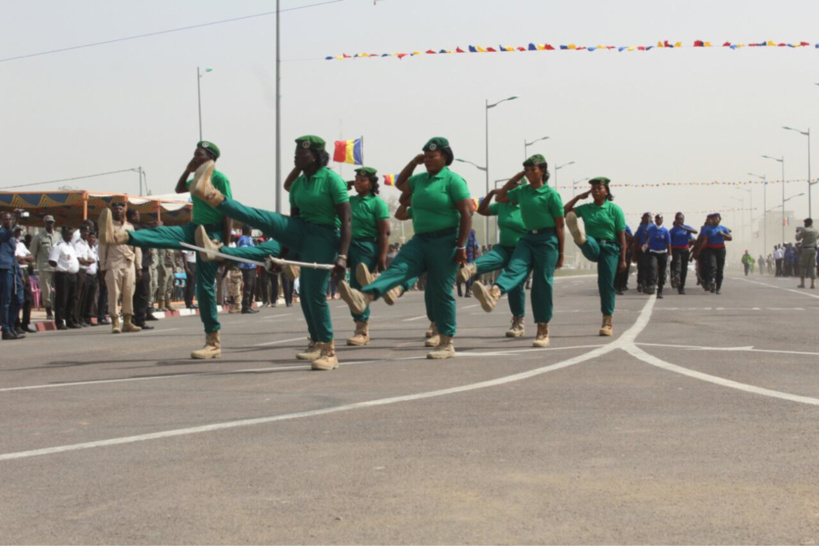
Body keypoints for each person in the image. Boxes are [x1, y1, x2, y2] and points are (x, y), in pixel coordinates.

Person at [191, 135, 351, 370]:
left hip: (324, 237)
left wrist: (342, 256)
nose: (296, 157)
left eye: (301, 154)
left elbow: (347, 220)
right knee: (261, 217)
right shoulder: (298, 184)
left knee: (313, 294)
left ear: (316, 156)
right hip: (301, 229)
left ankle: (329, 351)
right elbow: (292, 222)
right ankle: (211, 195)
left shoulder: (332, 180)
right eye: (295, 153)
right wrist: (283, 256)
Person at [336, 137, 473, 359]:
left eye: (432, 156)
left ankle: (446, 342)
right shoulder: (419, 180)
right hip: (421, 240)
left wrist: (461, 246)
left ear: (445, 157)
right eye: (425, 157)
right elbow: (400, 184)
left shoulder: (453, 180)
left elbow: (467, 212)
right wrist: (413, 162)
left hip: (446, 240)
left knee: (441, 292)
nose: (427, 160)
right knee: (398, 267)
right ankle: (366, 296)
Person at [99, 141, 231, 358]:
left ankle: (213, 342)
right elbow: (179, 188)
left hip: (212, 233)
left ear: (210, 158)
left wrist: (224, 245)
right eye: (194, 154)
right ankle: (121, 236)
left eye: (198, 155)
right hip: (194, 228)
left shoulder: (219, 179)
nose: (194, 157)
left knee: (205, 287)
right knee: (163, 233)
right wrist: (188, 170)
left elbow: (228, 212)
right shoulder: (196, 179)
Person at [468, 154, 561, 344]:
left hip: (546, 239)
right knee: (514, 268)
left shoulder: (551, 195)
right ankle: (494, 293)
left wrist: (561, 252)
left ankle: (542, 329)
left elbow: (559, 225)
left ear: (542, 170)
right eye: (526, 170)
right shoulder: (522, 192)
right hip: (527, 239)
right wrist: (517, 176)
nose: (529, 173)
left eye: (533, 170)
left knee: (542, 285)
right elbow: (500, 197)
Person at [563, 177, 628, 336]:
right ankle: (580, 238)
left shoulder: (615, 210)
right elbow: (564, 212)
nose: (596, 191)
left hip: (610, 248)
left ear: (606, 191)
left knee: (605, 284)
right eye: (593, 189)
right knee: (587, 241)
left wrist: (623, 259)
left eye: (599, 188)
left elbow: (622, 237)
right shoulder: (586, 208)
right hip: (593, 245)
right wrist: (578, 197)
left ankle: (607, 320)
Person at [338, 167, 390, 346]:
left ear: (371, 184)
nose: (358, 183)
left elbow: (384, 232)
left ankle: (361, 329)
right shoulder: (349, 200)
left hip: (367, 245)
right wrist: (345, 186)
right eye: (356, 180)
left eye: (362, 180)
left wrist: (382, 259)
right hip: (346, 243)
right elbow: (333, 196)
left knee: (357, 285)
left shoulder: (377, 203)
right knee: (341, 282)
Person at [98, 201, 142, 333]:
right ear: (112, 212)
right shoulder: (107, 226)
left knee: (129, 293)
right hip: (113, 264)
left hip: (129, 263)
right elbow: (102, 248)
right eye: (116, 209)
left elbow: (136, 247)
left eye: (120, 209)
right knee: (114, 294)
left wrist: (138, 266)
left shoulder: (129, 227)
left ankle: (128, 322)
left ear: (124, 211)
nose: (118, 211)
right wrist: (102, 267)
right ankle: (115, 322)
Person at [48, 225, 81, 330]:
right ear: (63, 234)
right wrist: (61, 267)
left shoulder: (70, 245)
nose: (70, 236)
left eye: (71, 234)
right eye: (68, 234)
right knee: (62, 299)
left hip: (72, 275)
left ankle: (70, 321)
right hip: (63, 275)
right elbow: (52, 261)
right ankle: (59, 321)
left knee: (72, 299)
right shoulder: (58, 245)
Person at [1, 212, 26, 340]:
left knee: (19, 299)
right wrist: (17, 219)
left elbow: (13, 255)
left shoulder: (10, 236)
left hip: (13, 269)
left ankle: (11, 327)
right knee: (6, 301)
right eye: (5, 219)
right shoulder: (2, 233)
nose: (8, 221)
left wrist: (20, 273)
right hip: (4, 269)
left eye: (10, 219)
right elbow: (6, 235)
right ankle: (6, 330)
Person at [30, 214, 60, 319]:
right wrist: (32, 265)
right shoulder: (39, 237)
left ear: (54, 223)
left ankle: (58, 309)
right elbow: (32, 253)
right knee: (46, 290)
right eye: (48, 222)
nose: (50, 224)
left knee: (59, 289)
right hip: (45, 267)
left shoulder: (58, 236)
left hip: (57, 267)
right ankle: (48, 310)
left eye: (51, 222)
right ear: (45, 223)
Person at [130, 210, 156, 330]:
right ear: (132, 217)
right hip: (141, 266)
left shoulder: (133, 228)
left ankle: (134, 318)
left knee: (136, 295)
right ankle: (139, 319)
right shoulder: (135, 230)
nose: (139, 216)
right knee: (142, 294)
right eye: (137, 215)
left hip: (138, 265)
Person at [698, 213, 732, 294]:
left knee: (720, 269)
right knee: (712, 266)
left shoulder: (723, 228)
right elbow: (705, 241)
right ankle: (712, 280)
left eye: (717, 218)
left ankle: (718, 287)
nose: (715, 220)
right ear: (712, 220)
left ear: (719, 219)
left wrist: (723, 234)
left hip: (721, 249)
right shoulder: (708, 229)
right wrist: (699, 251)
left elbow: (730, 238)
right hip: (711, 249)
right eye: (714, 219)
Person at [72, 221, 97, 326]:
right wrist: (87, 261)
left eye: (88, 231)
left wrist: (87, 261)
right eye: (84, 231)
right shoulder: (77, 243)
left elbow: (92, 258)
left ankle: (82, 318)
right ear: (81, 232)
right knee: (77, 297)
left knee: (84, 297)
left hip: (86, 273)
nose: (86, 233)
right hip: (80, 272)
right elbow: (80, 260)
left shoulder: (86, 244)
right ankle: (75, 318)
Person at [13, 226, 36, 334]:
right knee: (17, 299)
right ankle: (16, 324)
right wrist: (23, 259)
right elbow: (15, 259)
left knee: (28, 299)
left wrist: (22, 258)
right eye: (16, 231)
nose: (18, 233)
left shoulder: (21, 244)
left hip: (25, 271)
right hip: (16, 271)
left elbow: (31, 257)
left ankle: (25, 324)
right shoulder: (8, 242)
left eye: (19, 231)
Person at [669, 212, 697, 295]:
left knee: (684, 269)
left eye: (681, 219)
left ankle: (681, 287)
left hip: (685, 250)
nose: (680, 220)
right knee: (677, 264)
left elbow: (695, 231)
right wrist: (669, 253)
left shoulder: (687, 228)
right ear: (676, 220)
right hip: (675, 250)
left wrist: (684, 228)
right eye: (678, 219)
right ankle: (676, 277)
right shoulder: (673, 230)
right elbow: (669, 242)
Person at [646, 214, 671, 298]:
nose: (658, 221)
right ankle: (651, 285)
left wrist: (670, 254)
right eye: (657, 219)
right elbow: (648, 237)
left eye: (660, 219)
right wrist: (646, 244)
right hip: (653, 252)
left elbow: (668, 243)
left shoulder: (665, 231)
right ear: (655, 220)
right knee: (652, 267)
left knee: (662, 272)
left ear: (662, 220)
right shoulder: (651, 229)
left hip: (663, 253)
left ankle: (660, 291)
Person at [632, 212, 653, 293]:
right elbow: (635, 238)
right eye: (646, 217)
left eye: (649, 217)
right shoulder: (641, 227)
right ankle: (640, 283)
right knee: (642, 267)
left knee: (650, 267)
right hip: (642, 249)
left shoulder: (653, 227)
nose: (647, 219)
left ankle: (649, 283)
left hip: (651, 249)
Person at [795, 218, 818, 289]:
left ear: (807, 223)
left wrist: (798, 232)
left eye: (805, 223)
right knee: (812, 266)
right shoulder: (816, 230)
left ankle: (802, 283)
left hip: (806, 249)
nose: (804, 224)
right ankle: (812, 284)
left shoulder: (805, 230)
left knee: (802, 266)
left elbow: (798, 238)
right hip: (813, 249)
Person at [456, 228, 479, 298]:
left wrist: (474, 255)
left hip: (467, 253)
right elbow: (475, 245)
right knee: (463, 271)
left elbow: (474, 245)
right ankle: (463, 290)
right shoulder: (459, 230)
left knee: (465, 272)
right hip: (463, 253)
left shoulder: (471, 232)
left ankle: (465, 290)